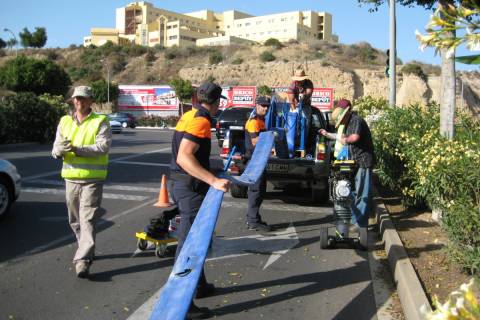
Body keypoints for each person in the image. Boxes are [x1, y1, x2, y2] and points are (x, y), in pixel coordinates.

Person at [169, 81, 230, 319]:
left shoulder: (189, 115)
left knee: (197, 238)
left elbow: (181, 153)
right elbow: (185, 157)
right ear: (216, 102)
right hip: (190, 186)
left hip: (179, 182)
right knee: (189, 244)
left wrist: (211, 169)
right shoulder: (202, 121)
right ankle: (183, 302)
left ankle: (199, 285)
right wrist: (213, 180)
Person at [51, 86, 112, 278]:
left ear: (91, 101)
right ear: (73, 100)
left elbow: (102, 147)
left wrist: (77, 149)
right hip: (70, 178)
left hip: (92, 180)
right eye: (76, 98)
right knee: (75, 220)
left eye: (83, 99)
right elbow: (55, 148)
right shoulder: (64, 121)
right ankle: (86, 248)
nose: (79, 102)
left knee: (87, 219)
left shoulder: (100, 121)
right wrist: (57, 152)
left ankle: (83, 260)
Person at [319, 98, 375, 228]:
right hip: (356, 162)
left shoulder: (356, 120)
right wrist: (327, 134)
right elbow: (341, 137)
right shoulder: (349, 123)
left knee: (362, 194)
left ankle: (360, 225)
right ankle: (355, 220)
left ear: (345, 114)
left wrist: (346, 140)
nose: (341, 122)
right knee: (353, 193)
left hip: (363, 162)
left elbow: (354, 138)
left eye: (341, 119)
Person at [244, 96, 271, 232]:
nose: (265, 108)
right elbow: (254, 141)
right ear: (257, 106)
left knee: (260, 190)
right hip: (254, 160)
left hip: (260, 159)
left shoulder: (261, 121)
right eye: (263, 105)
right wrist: (270, 136)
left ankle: (254, 217)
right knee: (255, 190)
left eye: (267, 106)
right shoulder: (253, 122)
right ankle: (252, 221)